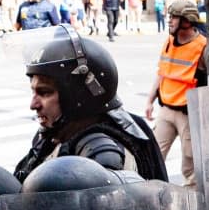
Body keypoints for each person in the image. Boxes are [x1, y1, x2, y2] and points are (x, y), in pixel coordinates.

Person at [14, 24, 168, 183]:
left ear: (77, 96)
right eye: (34, 92)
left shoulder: (100, 152)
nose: (33, 104)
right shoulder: (53, 135)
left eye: (44, 92)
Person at [144, 0, 207, 188]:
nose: (169, 21)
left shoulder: (203, 47)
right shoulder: (169, 41)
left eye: (174, 17)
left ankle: (193, 208)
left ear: (187, 21)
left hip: (188, 115)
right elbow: (162, 73)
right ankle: (150, 197)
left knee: (191, 166)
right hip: (166, 110)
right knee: (152, 156)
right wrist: (149, 100)